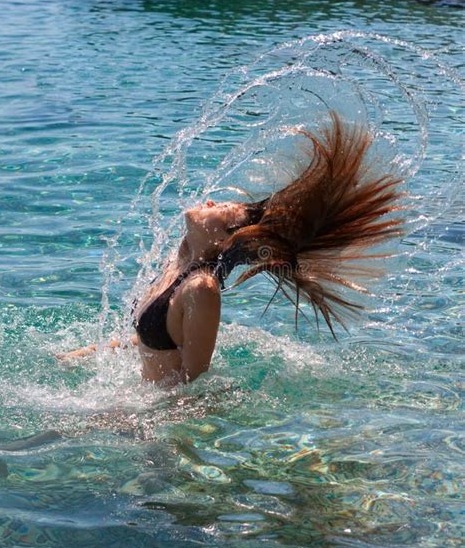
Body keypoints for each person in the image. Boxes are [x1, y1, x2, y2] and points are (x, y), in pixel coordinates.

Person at [57, 112, 404, 385]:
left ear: (227, 237)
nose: (210, 200)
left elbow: (193, 387)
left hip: (155, 435)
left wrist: (115, 418)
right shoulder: (179, 259)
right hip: (138, 405)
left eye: (223, 207)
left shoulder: (200, 290)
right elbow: (157, 340)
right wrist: (85, 354)